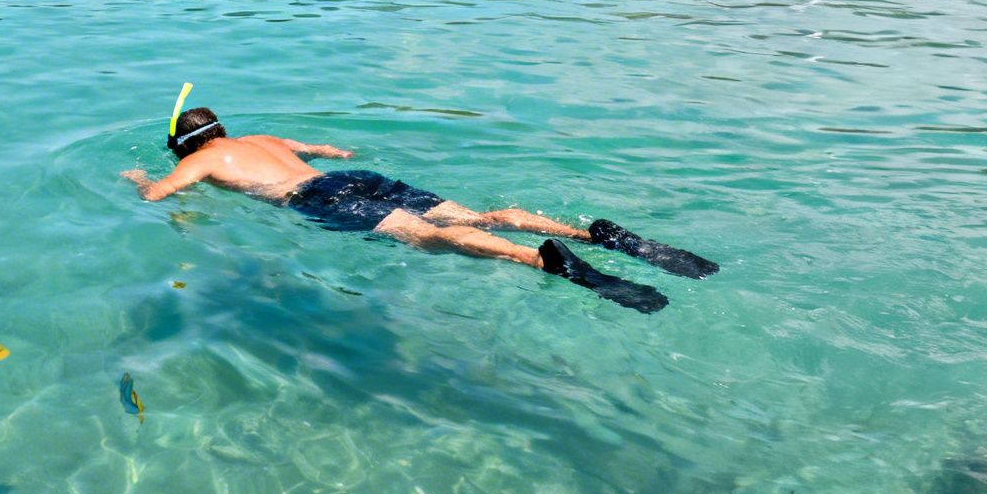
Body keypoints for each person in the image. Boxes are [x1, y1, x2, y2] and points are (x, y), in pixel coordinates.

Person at [120, 88, 718, 313]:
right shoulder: (263, 138)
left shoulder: (199, 159)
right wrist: (335, 152)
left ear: (185, 145)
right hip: (357, 178)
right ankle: (597, 236)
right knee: (473, 214)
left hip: (315, 199)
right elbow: (331, 150)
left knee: (431, 238)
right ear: (222, 126)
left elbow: (157, 196)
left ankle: (542, 259)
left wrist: (135, 178)